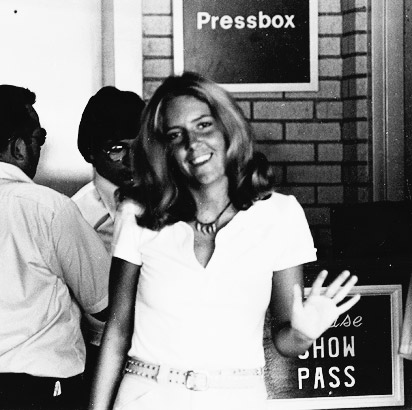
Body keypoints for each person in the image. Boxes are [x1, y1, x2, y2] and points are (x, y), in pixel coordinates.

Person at [89, 72, 360, 410]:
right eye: (176, 135)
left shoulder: (280, 215)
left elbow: (284, 337)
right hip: (147, 395)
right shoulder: (140, 213)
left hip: (237, 397)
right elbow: (116, 332)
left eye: (203, 126)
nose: (193, 144)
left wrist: (304, 333)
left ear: (227, 128)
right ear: (164, 150)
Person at [0, 85, 110, 410]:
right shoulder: (47, 208)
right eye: (39, 138)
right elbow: (103, 303)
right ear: (19, 147)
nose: (37, 149)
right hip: (39, 389)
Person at [72, 86, 145, 391]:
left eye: (138, 146)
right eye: (116, 149)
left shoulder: (167, 201)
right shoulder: (76, 213)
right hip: (98, 350)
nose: (131, 159)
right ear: (90, 151)